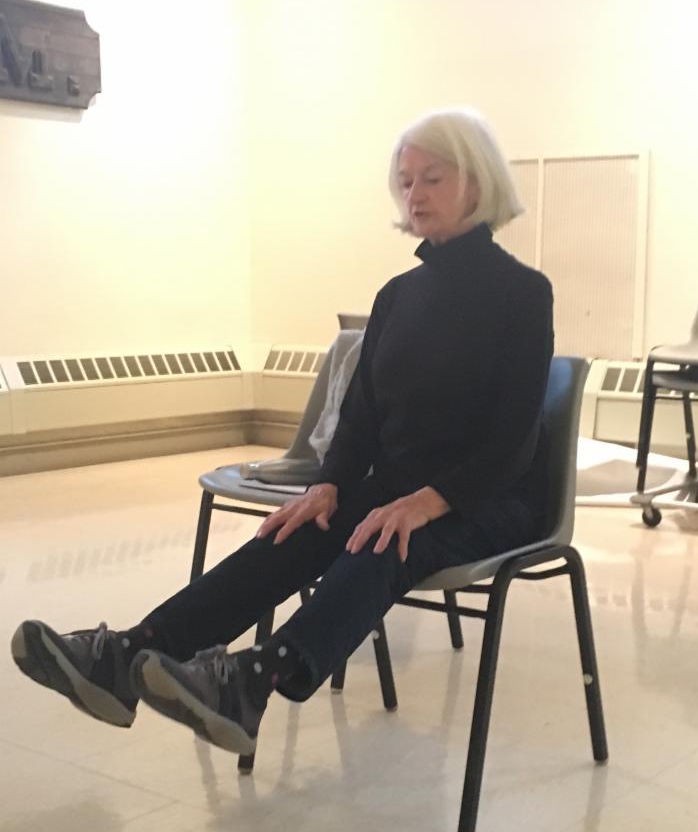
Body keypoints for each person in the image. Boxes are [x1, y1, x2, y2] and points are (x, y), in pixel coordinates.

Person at [11, 108, 554, 758]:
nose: (414, 194)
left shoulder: (523, 294)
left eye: (432, 179)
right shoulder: (397, 296)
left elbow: (513, 442)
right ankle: (129, 654)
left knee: (385, 540)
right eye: (406, 181)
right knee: (294, 530)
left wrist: (427, 501)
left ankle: (253, 682)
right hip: (399, 490)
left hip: (488, 500)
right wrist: (328, 485)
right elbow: (360, 416)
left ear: (478, 182)